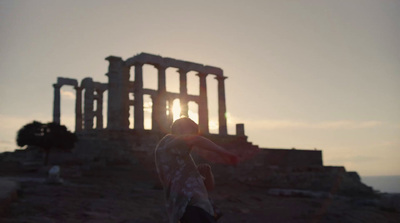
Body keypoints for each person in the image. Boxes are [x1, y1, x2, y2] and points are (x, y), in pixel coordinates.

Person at [155, 117, 238, 223]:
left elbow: (209, 187)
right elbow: (195, 139)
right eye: (192, 132)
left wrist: (207, 173)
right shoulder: (166, 143)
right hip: (187, 206)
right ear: (179, 128)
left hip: (203, 208)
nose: (192, 144)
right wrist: (224, 152)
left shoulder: (182, 160)